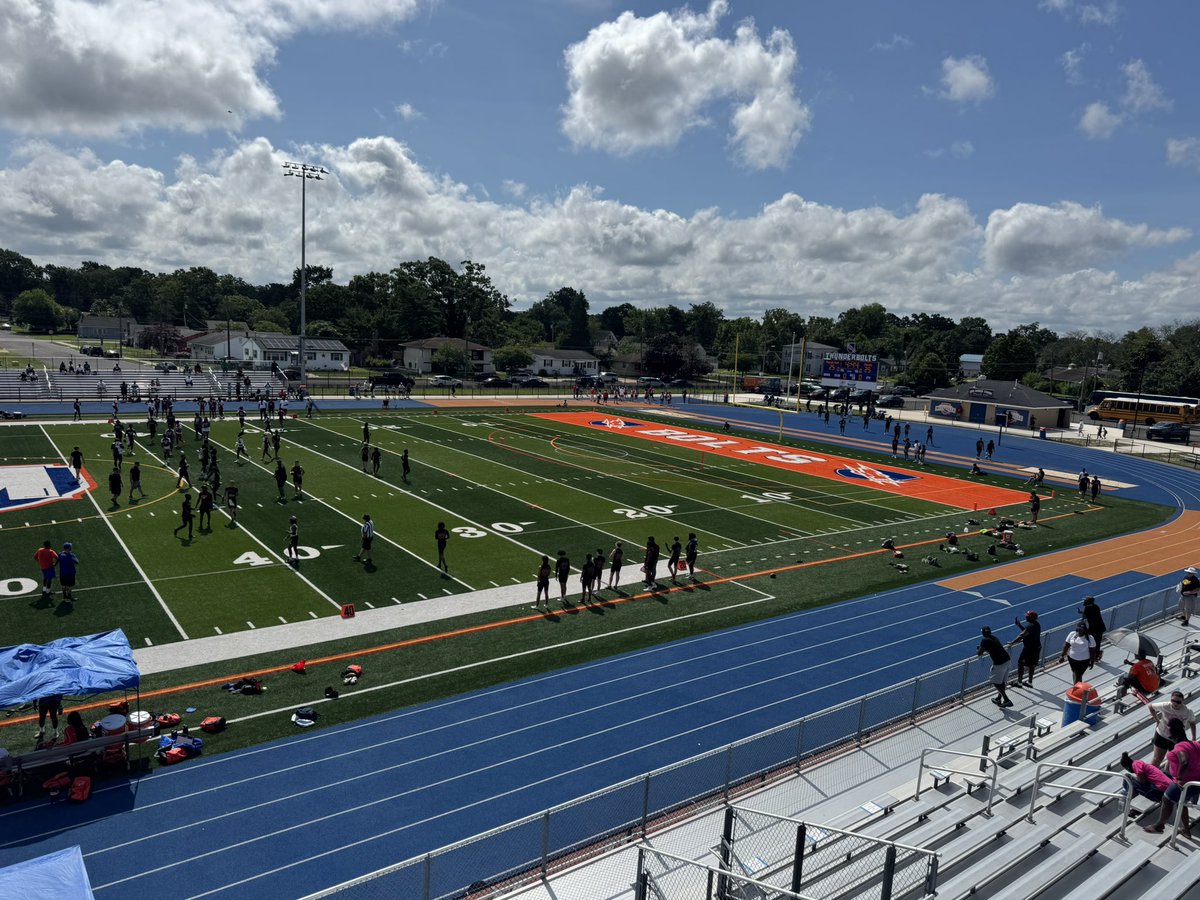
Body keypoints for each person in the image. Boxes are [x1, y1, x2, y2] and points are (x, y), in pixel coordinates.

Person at [1146, 733, 1200, 835]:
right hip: (1194, 780)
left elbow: (1184, 761)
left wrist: (1179, 778)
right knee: (1181, 802)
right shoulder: (1195, 744)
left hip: (1185, 782)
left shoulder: (1180, 746)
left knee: (1167, 799)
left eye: (1170, 737)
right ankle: (1185, 829)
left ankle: (1159, 826)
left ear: (1175, 737)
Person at [1150, 692, 1198, 767]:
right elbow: (1151, 706)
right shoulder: (1165, 706)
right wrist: (1157, 720)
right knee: (1157, 759)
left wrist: (1194, 738)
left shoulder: (1187, 712)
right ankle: (1149, 773)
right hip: (1162, 735)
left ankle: (1165, 773)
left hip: (1176, 739)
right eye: (1173, 701)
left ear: (1182, 701)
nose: (1175, 703)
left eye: (1178, 702)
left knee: (1172, 761)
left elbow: (1192, 723)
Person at [977, 626, 1013, 708]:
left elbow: (979, 653)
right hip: (1007, 660)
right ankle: (998, 698)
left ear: (983, 633)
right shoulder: (994, 638)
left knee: (995, 682)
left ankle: (1006, 700)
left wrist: (979, 649)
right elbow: (992, 648)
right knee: (1002, 682)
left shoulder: (984, 640)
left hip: (999, 663)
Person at [1006, 610, 1041, 687]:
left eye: (1027, 616)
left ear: (1031, 618)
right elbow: (1026, 632)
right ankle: (1030, 682)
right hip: (1036, 647)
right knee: (1031, 665)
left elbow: (1022, 635)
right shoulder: (1036, 624)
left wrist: (1012, 642)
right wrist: (1019, 625)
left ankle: (1019, 682)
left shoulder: (1030, 626)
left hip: (1029, 649)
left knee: (1020, 663)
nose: (1026, 617)